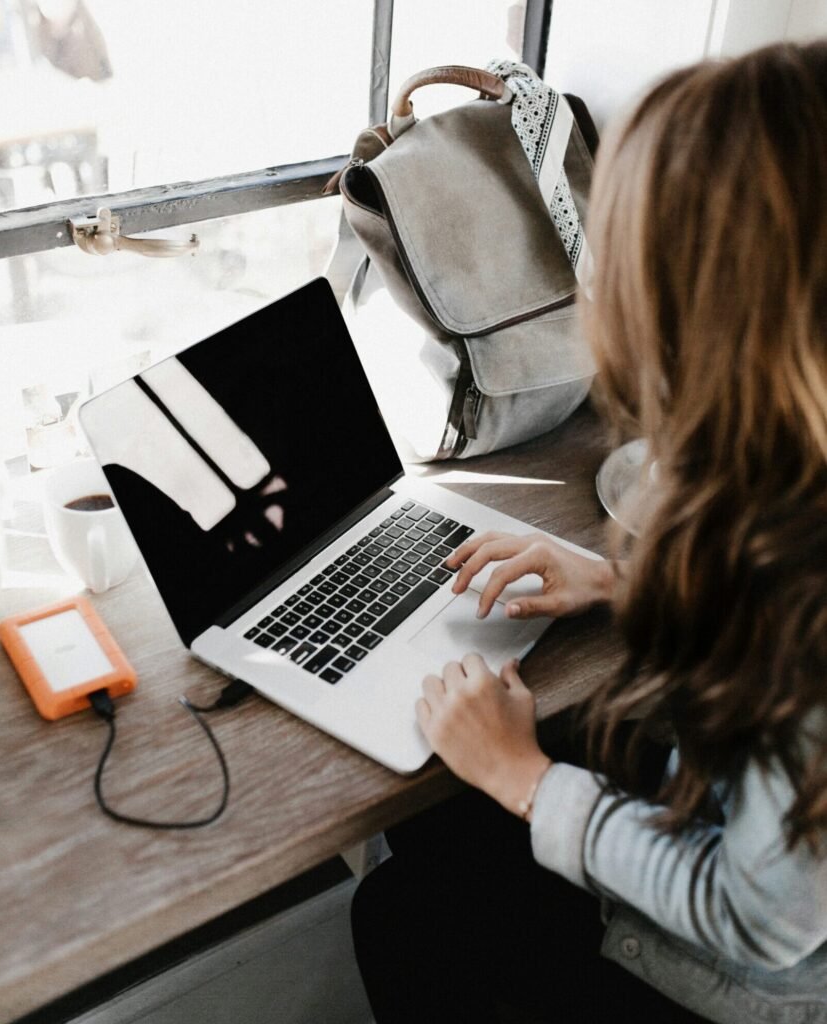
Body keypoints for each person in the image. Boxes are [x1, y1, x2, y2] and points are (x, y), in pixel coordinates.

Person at [351, 41, 827, 1024]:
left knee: (404, 907)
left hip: (748, 989)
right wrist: (627, 583)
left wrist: (525, 779)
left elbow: (759, 921)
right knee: (443, 837)